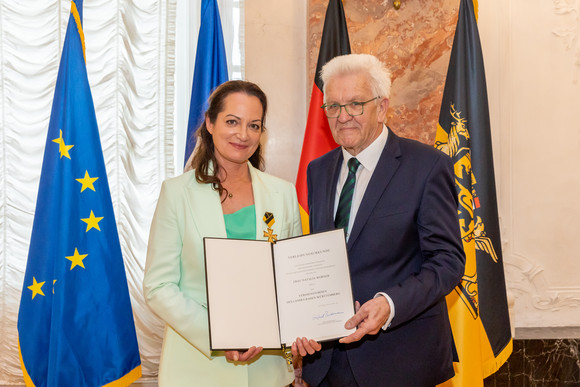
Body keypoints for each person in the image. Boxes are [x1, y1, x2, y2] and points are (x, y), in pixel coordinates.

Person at [292, 54, 466, 386]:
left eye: (355, 104)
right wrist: (302, 323)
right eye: (333, 106)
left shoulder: (426, 167)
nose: (343, 117)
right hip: (326, 364)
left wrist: (390, 304)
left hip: (400, 361)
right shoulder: (319, 171)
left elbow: (448, 262)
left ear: (382, 107)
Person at [143, 80, 302, 386]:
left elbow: (291, 280)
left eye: (254, 125)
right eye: (232, 122)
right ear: (210, 123)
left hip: (267, 370)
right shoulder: (177, 194)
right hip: (196, 367)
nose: (243, 134)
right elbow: (158, 286)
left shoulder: (283, 194)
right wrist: (218, 335)